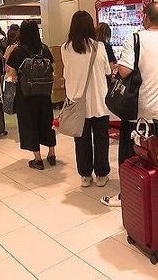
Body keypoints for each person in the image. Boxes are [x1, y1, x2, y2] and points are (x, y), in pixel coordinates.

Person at [101, 1, 158, 207]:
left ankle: (128, 196)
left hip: (137, 108)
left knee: (131, 155)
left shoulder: (135, 38)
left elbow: (124, 71)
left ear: (145, 17)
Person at [62, 11, 112, 187]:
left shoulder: (65, 48)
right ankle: (101, 175)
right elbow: (107, 71)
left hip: (77, 103)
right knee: (101, 139)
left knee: (81, 141)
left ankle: (85, 175)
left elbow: (67, 74)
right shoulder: (99, 47)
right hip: (99, 101)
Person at [6, 21, 57, 170]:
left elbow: (12, 74)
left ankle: (37, 159)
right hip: (44, 94)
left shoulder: (18, 51)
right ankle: (52, 154)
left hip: (26, 95)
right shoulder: (44, 49)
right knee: (47, 122)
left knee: (30, 124)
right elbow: (52, 68)